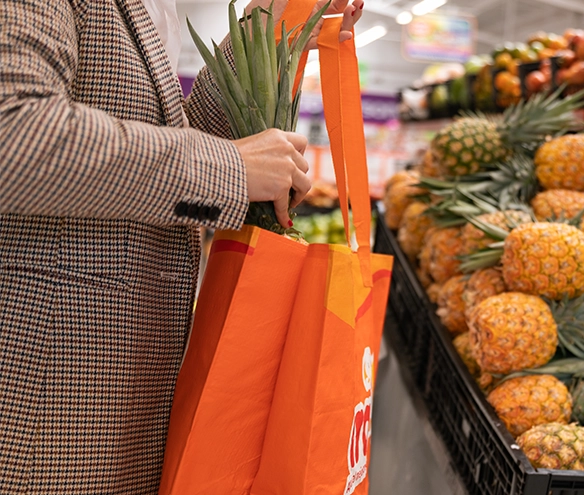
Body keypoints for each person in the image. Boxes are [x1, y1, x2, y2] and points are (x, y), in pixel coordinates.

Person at [0, 0, 363, 491]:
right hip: (47, 412)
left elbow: (165, 141)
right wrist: (229, 169)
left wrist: (270, 16)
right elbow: (15, 135)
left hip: (126, 394)